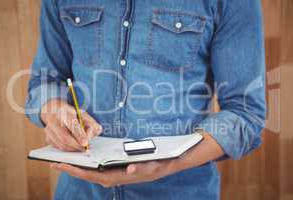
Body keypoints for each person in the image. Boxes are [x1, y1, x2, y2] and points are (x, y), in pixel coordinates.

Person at [25, 0, 266, 199]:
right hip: (77, 192)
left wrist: (168, 164)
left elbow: (245, 113)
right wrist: (54, 111)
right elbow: (45, 80)